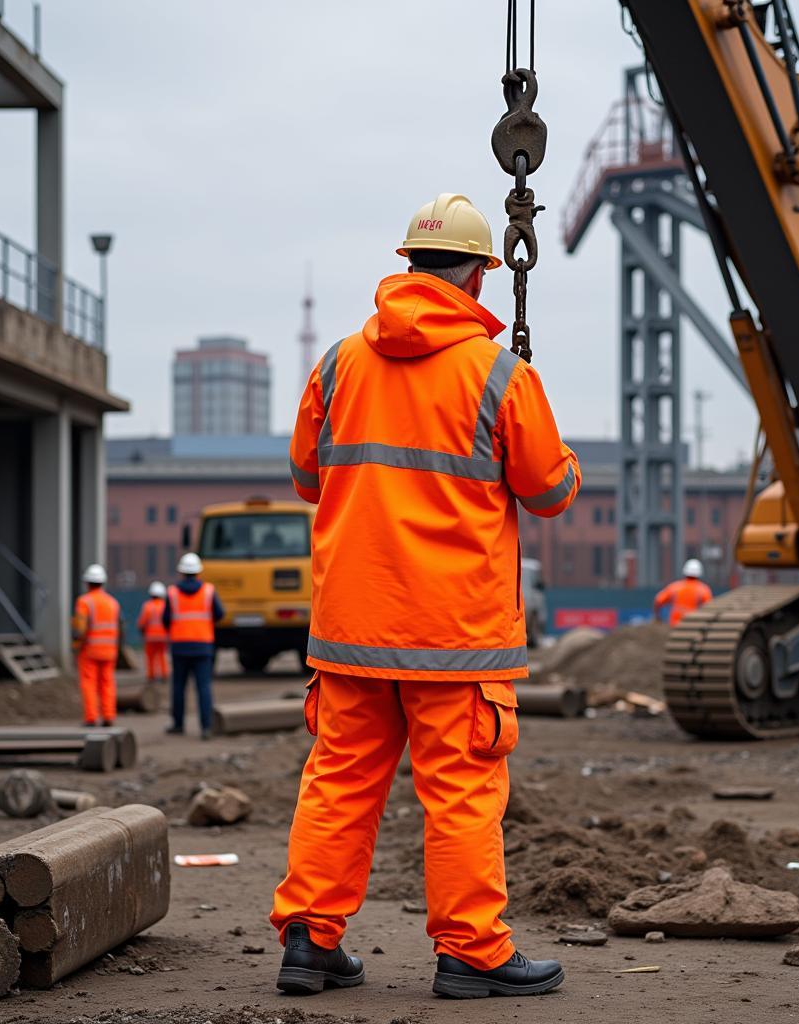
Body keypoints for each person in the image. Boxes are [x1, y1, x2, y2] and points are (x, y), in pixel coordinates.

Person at [272, 193, 580, 999]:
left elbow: (307, 478)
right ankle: (471, 954)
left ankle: (308, 942)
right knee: (461, 796)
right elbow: (550, 492)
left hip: (351, 629)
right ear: (482, 273)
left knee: (338, 783)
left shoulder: (339, 363)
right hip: (456, 635)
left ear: (405, 266)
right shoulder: (500, 375)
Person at [163, 552, 224, 740]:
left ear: (182, 572)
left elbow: (166, 619)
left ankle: (178, 724)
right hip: (203, 646)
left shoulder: (172, 592)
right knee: (204, 687)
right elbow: (219, 614)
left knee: (179, 687)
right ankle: (206, 727)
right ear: (198, 572)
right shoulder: (208, 591)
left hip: (180, 646)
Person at [71, 563, 121, 727]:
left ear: (87, 583)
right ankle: (108, 716)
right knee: (107, 683)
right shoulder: (113, 603)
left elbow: (81, 628)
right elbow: (119, 627)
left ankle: (91, 717)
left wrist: (76, 646)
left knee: (89, 683)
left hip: (90, 650)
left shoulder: (84, 602)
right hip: (109, 650)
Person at [653, 558, 713, 626]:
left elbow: (658, 600)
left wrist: (657, 617)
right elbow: (709, 609)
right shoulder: (703, 589)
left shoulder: (674, 587)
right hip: (693, 626)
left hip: (675, 625)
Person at [137, 581, 170, 683]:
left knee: (150, 657)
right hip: (163, 637)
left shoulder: (147, 606)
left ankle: (151, 676)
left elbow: (142, 622)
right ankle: (164, 675)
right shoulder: (165, 606)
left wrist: (142, 632)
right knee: (162, 656)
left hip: (150, 637)